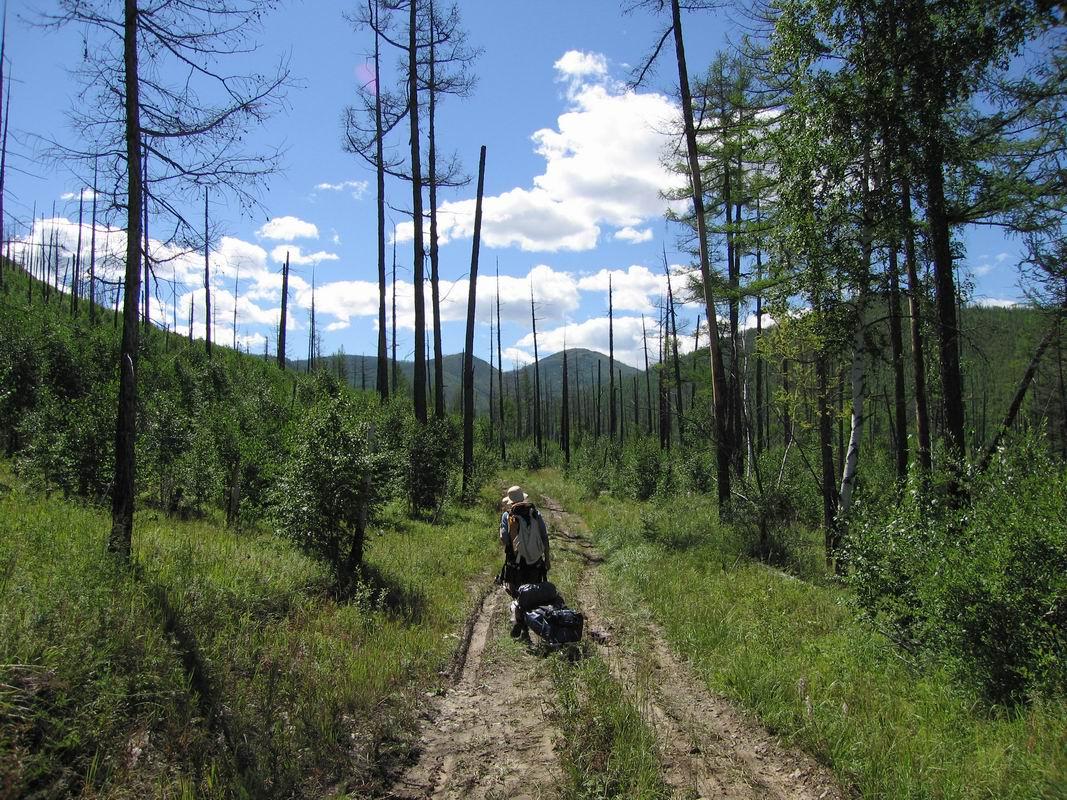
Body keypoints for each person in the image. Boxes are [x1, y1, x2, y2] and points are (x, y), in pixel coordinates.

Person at [498, 485, 550, 638]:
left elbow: (504, 539)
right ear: (523, 498)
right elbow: (544, 537)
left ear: (511, 501)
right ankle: (528, 625)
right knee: (531, 593)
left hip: (515, 563)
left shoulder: (507, 516)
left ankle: (518, 622)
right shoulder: (535, 513)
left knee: (516, 593)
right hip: (535, 561)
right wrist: (547, 559)